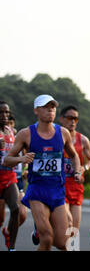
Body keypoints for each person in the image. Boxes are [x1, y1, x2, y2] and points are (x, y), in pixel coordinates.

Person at [4, 94, 81, 251]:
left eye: (52, 107)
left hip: (57, 191)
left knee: (62, 243)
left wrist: (77, 171)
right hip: (37, 190)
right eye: (46, 107)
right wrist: (22, 159)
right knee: (46, 238)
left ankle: (43, 231)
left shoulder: (63, 133)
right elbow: (7, 160)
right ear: (36, 111)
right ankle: (40, 231)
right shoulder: (26, 134)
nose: (50, 110)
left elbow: (74, 156)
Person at [59, 105, 90, 232]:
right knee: (67, 223)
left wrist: (83, 168)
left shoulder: (83, 140)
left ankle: (72, 247)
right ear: (61, 119)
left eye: (75, 119)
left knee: (74, 228)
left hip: (76, 185)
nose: (73, 121)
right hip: (59, 185)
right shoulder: (54, 137)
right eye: (69, 118)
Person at [0, 101, 20, 251]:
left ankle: (11, 247)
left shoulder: (10, 130)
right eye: (1, 112)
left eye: (7, 112)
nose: (4, 115)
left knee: (16, 209)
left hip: (9, 176)